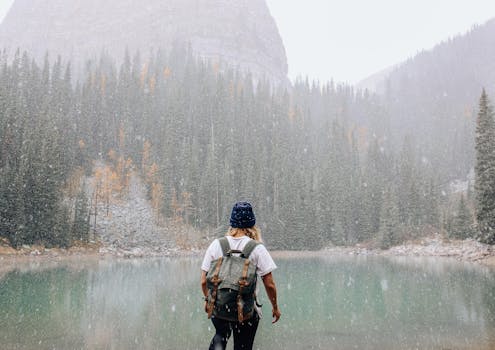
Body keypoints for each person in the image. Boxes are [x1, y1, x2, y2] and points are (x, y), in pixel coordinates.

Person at [201, 201, 281, 350]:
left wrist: (208, 300)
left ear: (232, 223)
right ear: (252, 224)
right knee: (243, 346)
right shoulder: (257, 248)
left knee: (220, 335)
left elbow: (203, 281)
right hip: (246, 311)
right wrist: (275, 307)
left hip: (220, 307)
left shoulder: (216, 244)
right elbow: (269, 284)